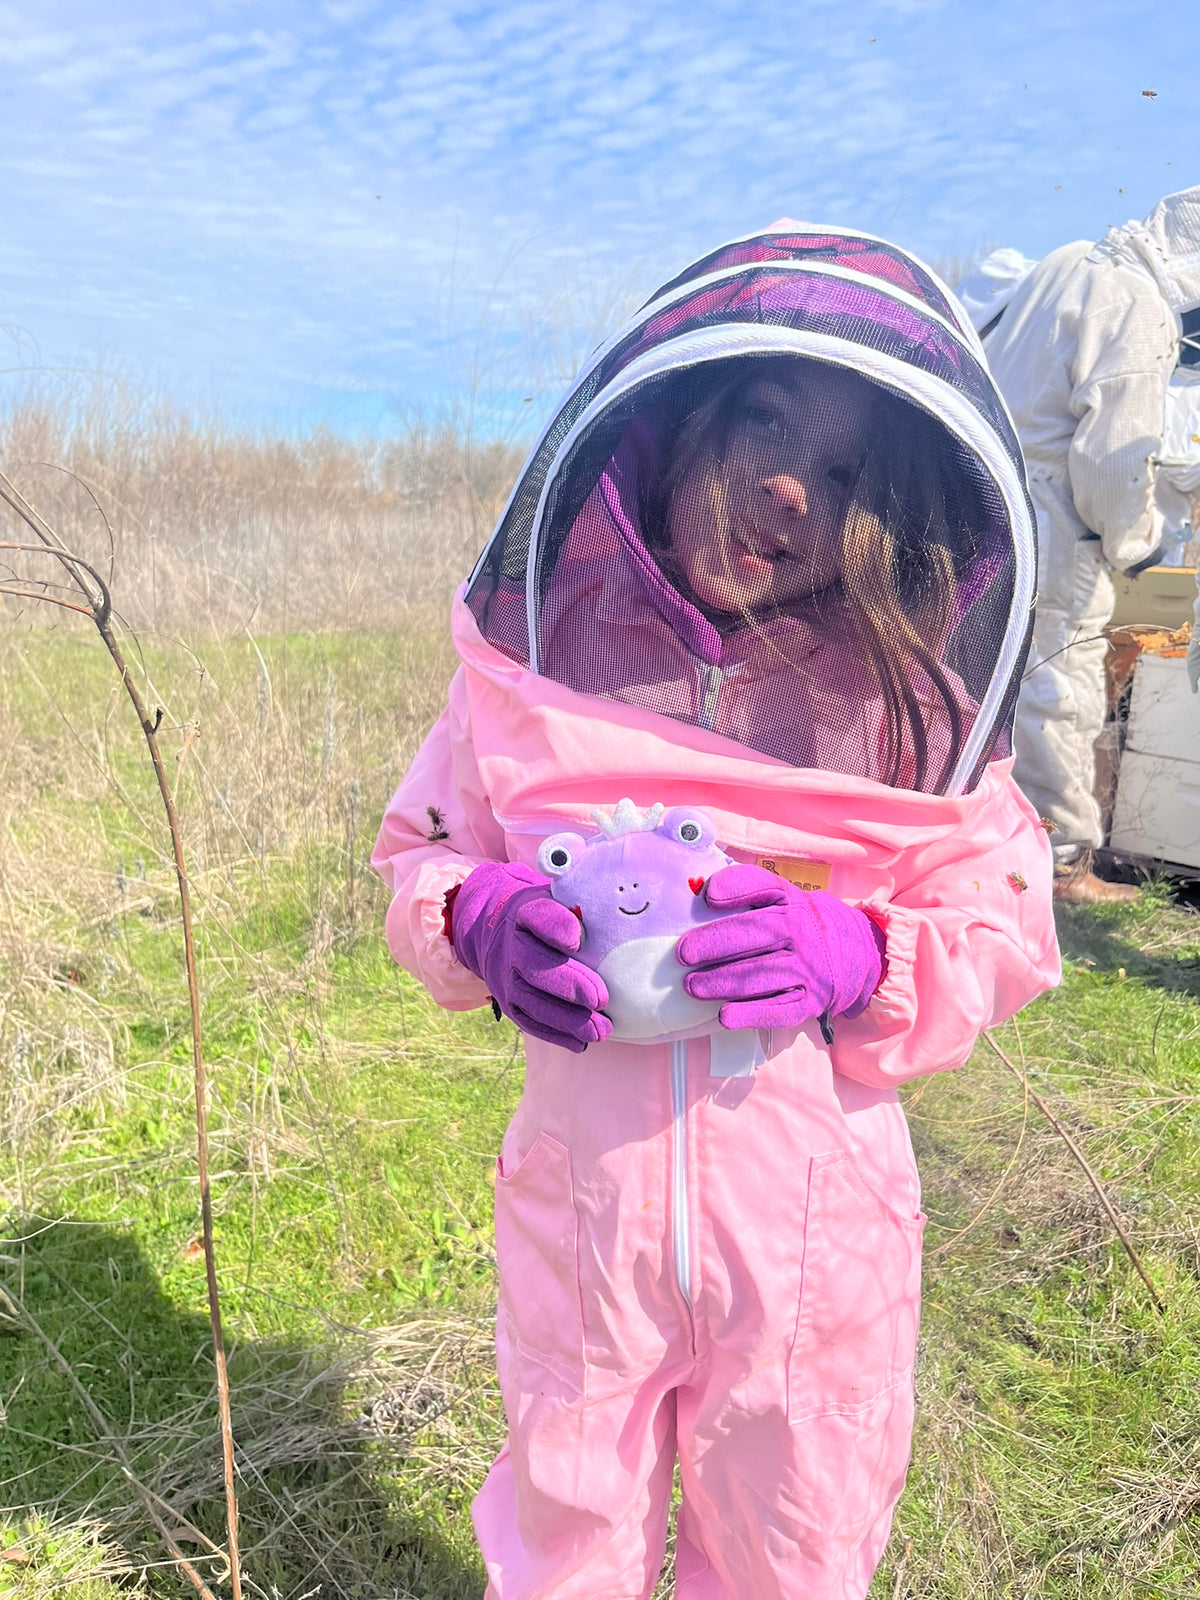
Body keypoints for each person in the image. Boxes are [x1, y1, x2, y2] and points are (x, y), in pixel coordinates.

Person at [372, 223, 1060, 1600]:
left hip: (818, 1251)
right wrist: (473, 918)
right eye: (763, 417)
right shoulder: (531, 672)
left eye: (854, 470)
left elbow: (1005, 922)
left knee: (796, 1548)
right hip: (586, 1226)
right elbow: (418, 855)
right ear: (675, 414)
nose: (792, 489)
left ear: (903, 510)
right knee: (566, 1537)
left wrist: (864, 952)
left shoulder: (897, 704)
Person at [982, 187, 1200, 901]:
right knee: (1058, 686)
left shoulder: (1066, 261)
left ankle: (992, 840)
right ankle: (1061, 861)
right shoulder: (1138, 306)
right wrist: (1139, 543)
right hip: (1055, 519)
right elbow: (1111, 461)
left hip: (993, 497)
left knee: (997, 681)